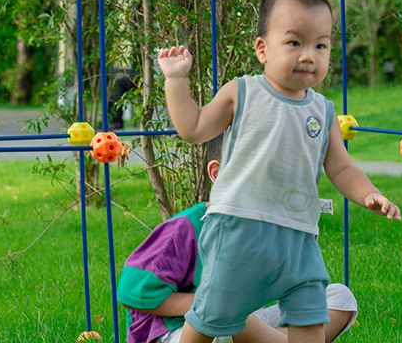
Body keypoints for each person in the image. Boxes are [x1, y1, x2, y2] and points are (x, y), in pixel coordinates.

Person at [159, 0, 401, 343]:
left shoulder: (324, 111)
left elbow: (342, 168)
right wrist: (176, 79)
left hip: (298, 235)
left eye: (321, 45)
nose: (309, 55)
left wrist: (369, 194)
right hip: (239, 230)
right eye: (294, 43)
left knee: (308, 310)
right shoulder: (242, 92)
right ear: (262, 49)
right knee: (213, 313)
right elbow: (193, 128)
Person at [117, 133, 358, 343]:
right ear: (218, 173)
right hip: (182, 333)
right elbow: (132, 292)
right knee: (221, 310)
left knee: (339, 297)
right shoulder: (185, 228)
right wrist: (205, 304)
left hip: (243, 326)